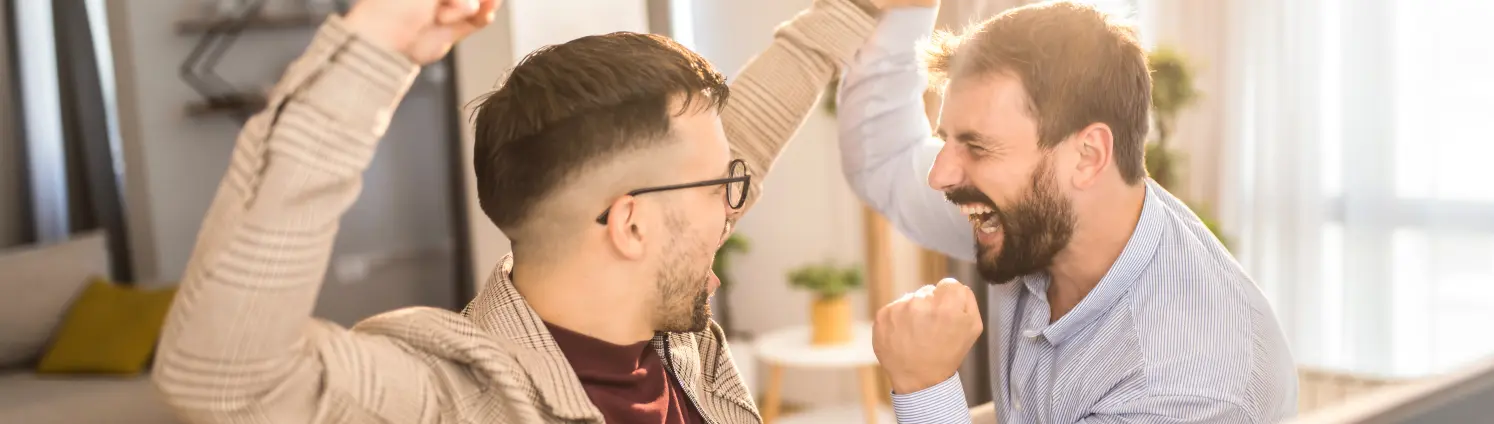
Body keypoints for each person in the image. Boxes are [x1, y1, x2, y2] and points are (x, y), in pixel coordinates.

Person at [148, 0, 916, 422]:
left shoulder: (669, 347)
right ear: (630, 225)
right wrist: (373, 45)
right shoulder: (454, 399)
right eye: (722, 189)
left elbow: (720, 152)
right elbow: (223, 380)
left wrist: (854, 10)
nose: (732, 209)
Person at [837, 1, 1299, 423]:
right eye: (947, 140)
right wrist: (909, 10)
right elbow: (885, 161)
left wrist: (926, 390)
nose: (940, 176)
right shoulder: (1039, 218)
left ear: (1088, 156)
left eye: (976, 146)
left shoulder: (1193, 382)